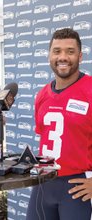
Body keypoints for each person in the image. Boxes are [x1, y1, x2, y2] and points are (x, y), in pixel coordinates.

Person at [26, 28, 92, 220]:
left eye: (70, 52)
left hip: (76, 186)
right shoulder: (42, 95)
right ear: (49, 56)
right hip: (43, 183)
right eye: (57, 51)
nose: (63, 57)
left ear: (80, 56)